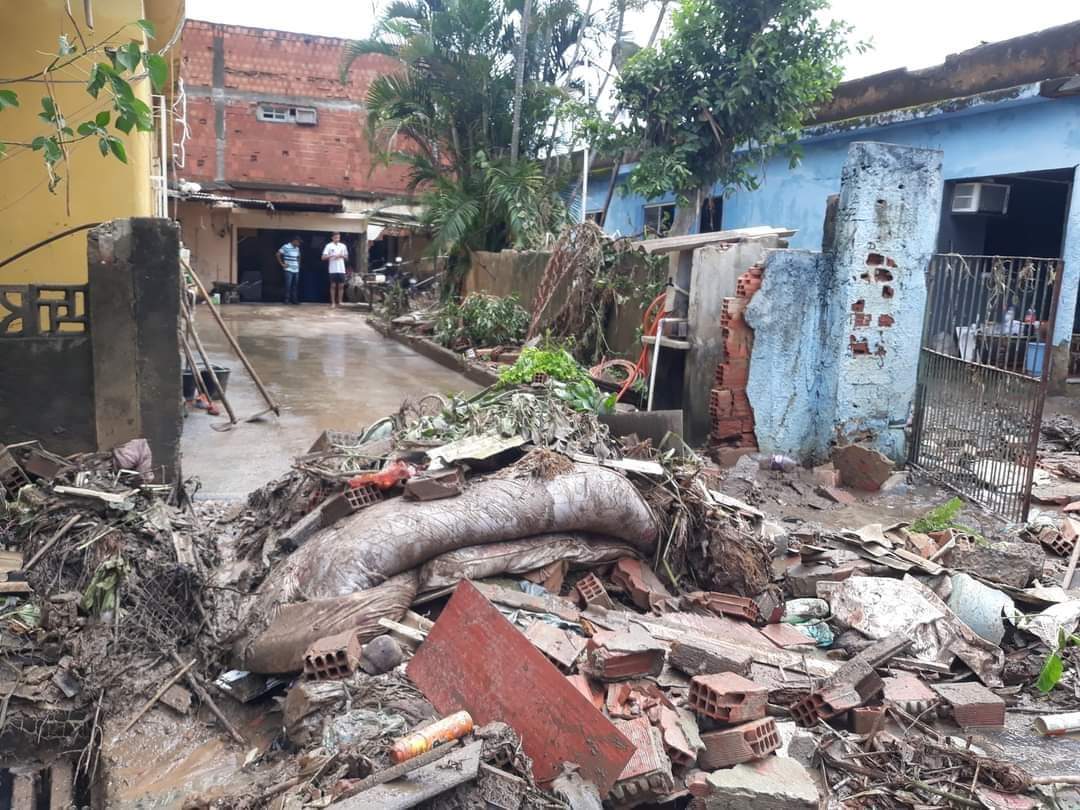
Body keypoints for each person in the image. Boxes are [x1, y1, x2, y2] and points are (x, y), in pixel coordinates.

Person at [322, 232, 349, 308]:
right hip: (333, 269)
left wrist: (341, 255)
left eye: (338, 237)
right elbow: (323, 257)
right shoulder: (329, 246)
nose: (337, 239)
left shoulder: (343, 246)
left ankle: (340, 301)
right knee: (333, 286)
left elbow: (347, 257)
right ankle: (333, 303)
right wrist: (332, 255)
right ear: (332, 238)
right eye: (336, 237)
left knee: (341, 286)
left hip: (341, 269)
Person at [277, 236, 302, 304]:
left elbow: (299, 256)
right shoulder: (286, 246)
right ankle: (286, 300)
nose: (299, 244)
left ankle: (294, 300)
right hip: (288, 269)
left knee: (295, 285)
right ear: (294, 241)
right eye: (298, 242)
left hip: (296, 270)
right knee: (288, 285)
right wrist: (282, 264)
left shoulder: (297, 248)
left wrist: (298, 265)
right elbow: (278, 254)